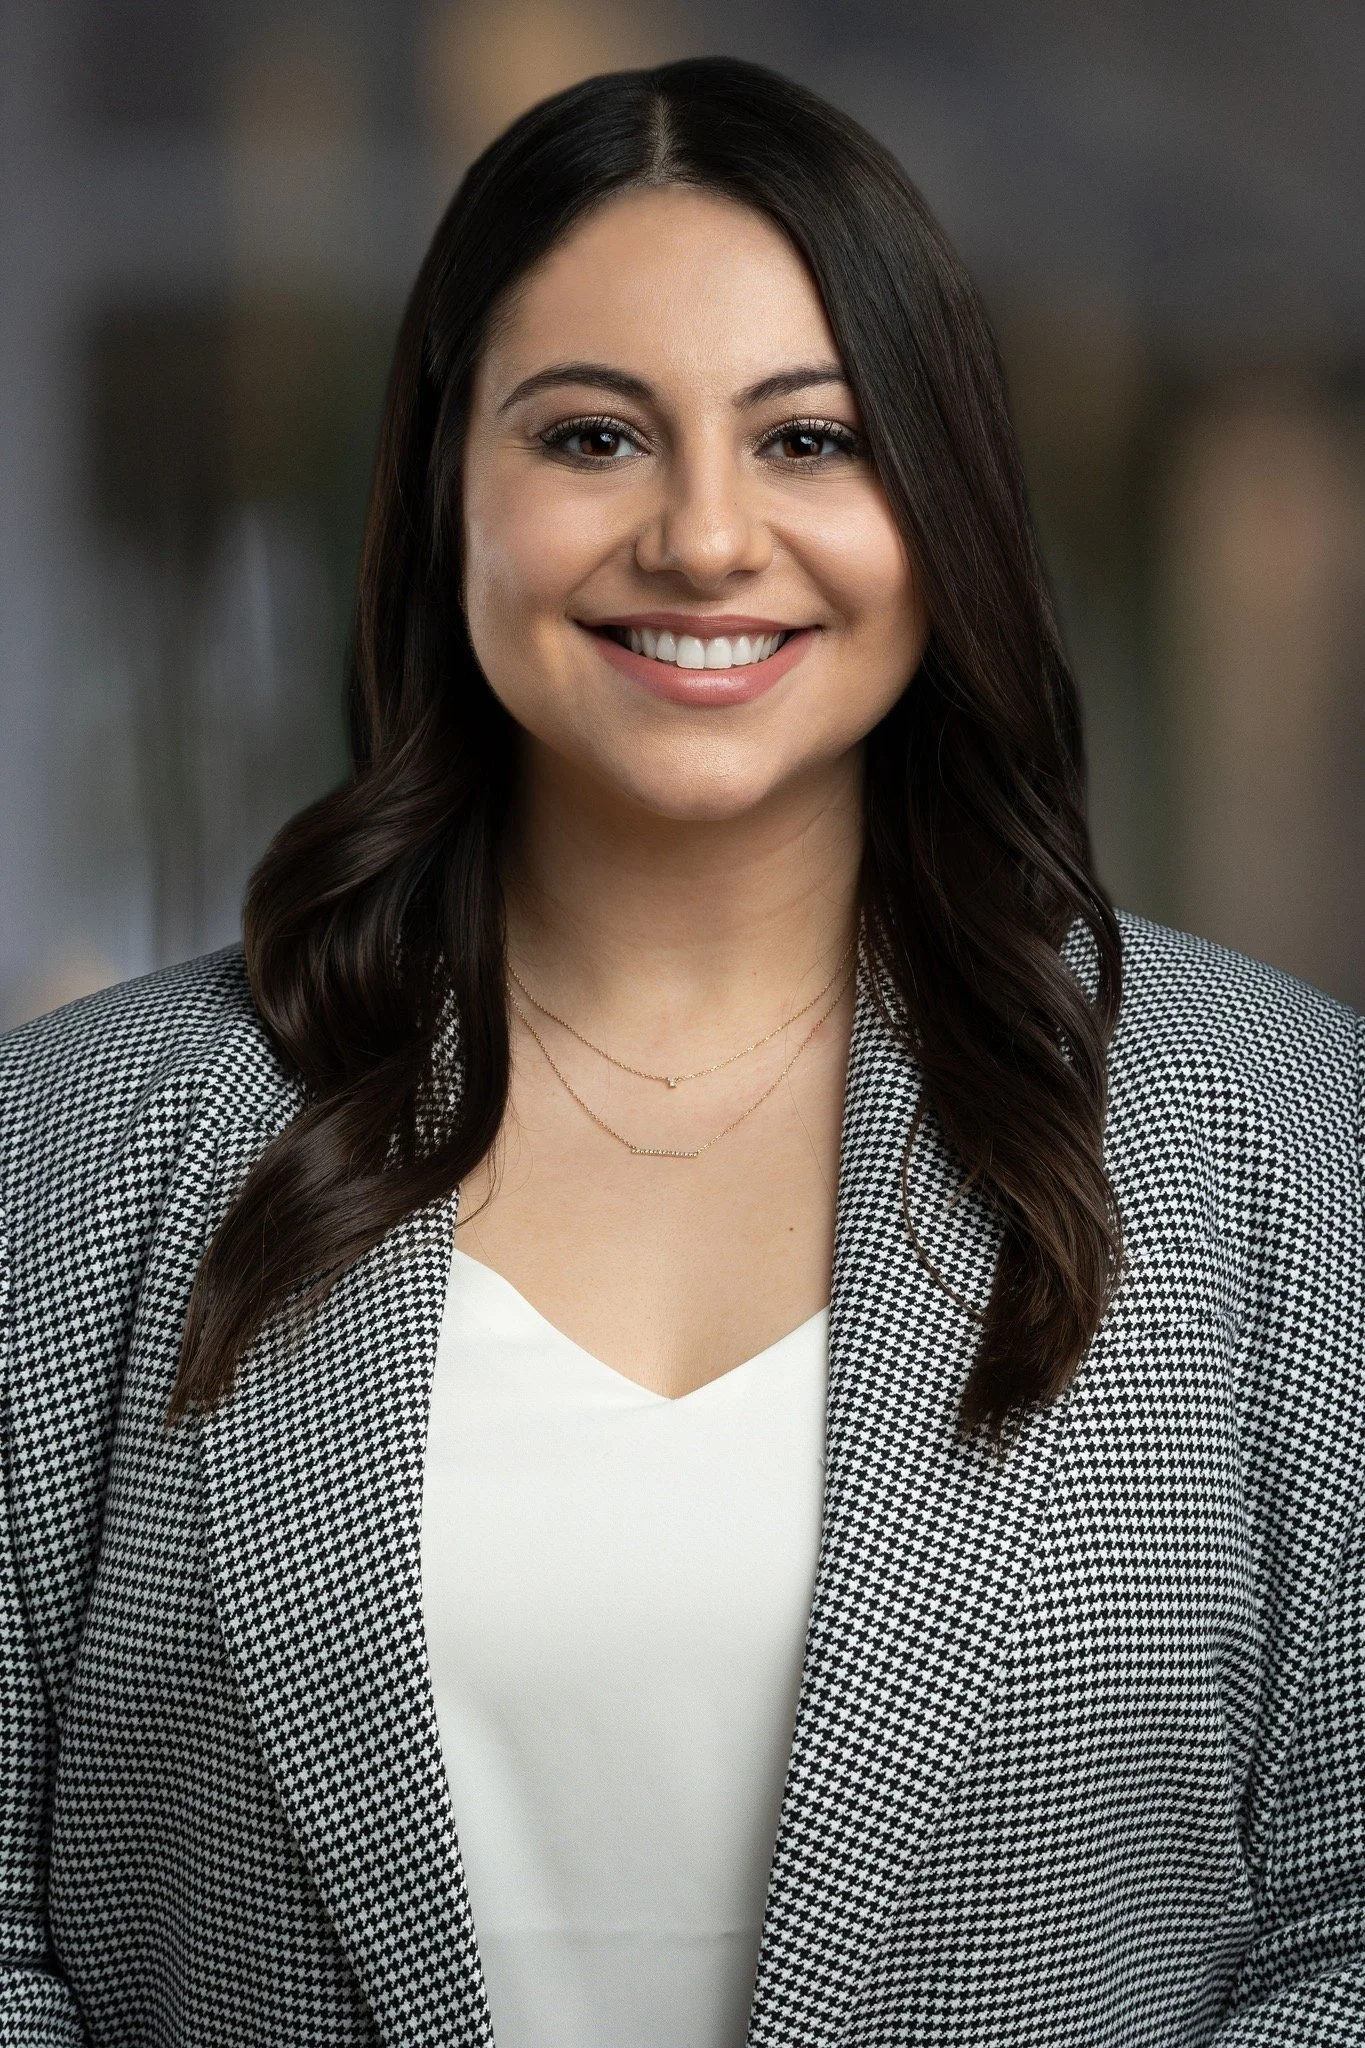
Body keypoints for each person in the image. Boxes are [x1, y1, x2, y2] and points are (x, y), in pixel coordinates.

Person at [1, 54, 1360, 2048]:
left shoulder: (1285, 1135)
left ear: (941, 503)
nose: (707, 539)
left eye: (810, 438)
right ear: (447, 487)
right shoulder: (77, 1146)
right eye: (593, 436)